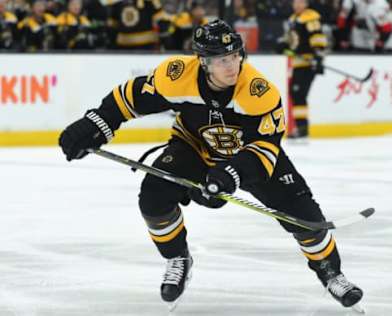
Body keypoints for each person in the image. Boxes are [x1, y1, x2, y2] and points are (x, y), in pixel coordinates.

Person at [58, 19, 363, 310]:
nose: (231, 65)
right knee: (152, 197)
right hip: (193, 148)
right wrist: (95, 124)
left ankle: (330, 273)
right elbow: (128, 98)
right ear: (203, 62)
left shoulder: (259, 91)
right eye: (221, 60)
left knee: (304, 216)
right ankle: (178, 259)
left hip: (252, 157)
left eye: (234, 56)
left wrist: (231, 174)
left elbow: (266, 147)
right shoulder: (177, 76)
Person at [277, 0, 327, 139]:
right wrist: (283, 45)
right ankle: (302, 128)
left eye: (301, 2)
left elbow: (317, 37)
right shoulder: (293, 19)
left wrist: (318, 56)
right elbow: (291, 40)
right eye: (295, 2)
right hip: (298, 63)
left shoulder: (310, 17)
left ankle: (302, 128)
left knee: (298, 94)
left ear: (306, 4)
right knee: (296, 94)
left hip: (308, 63)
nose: (297, 5)